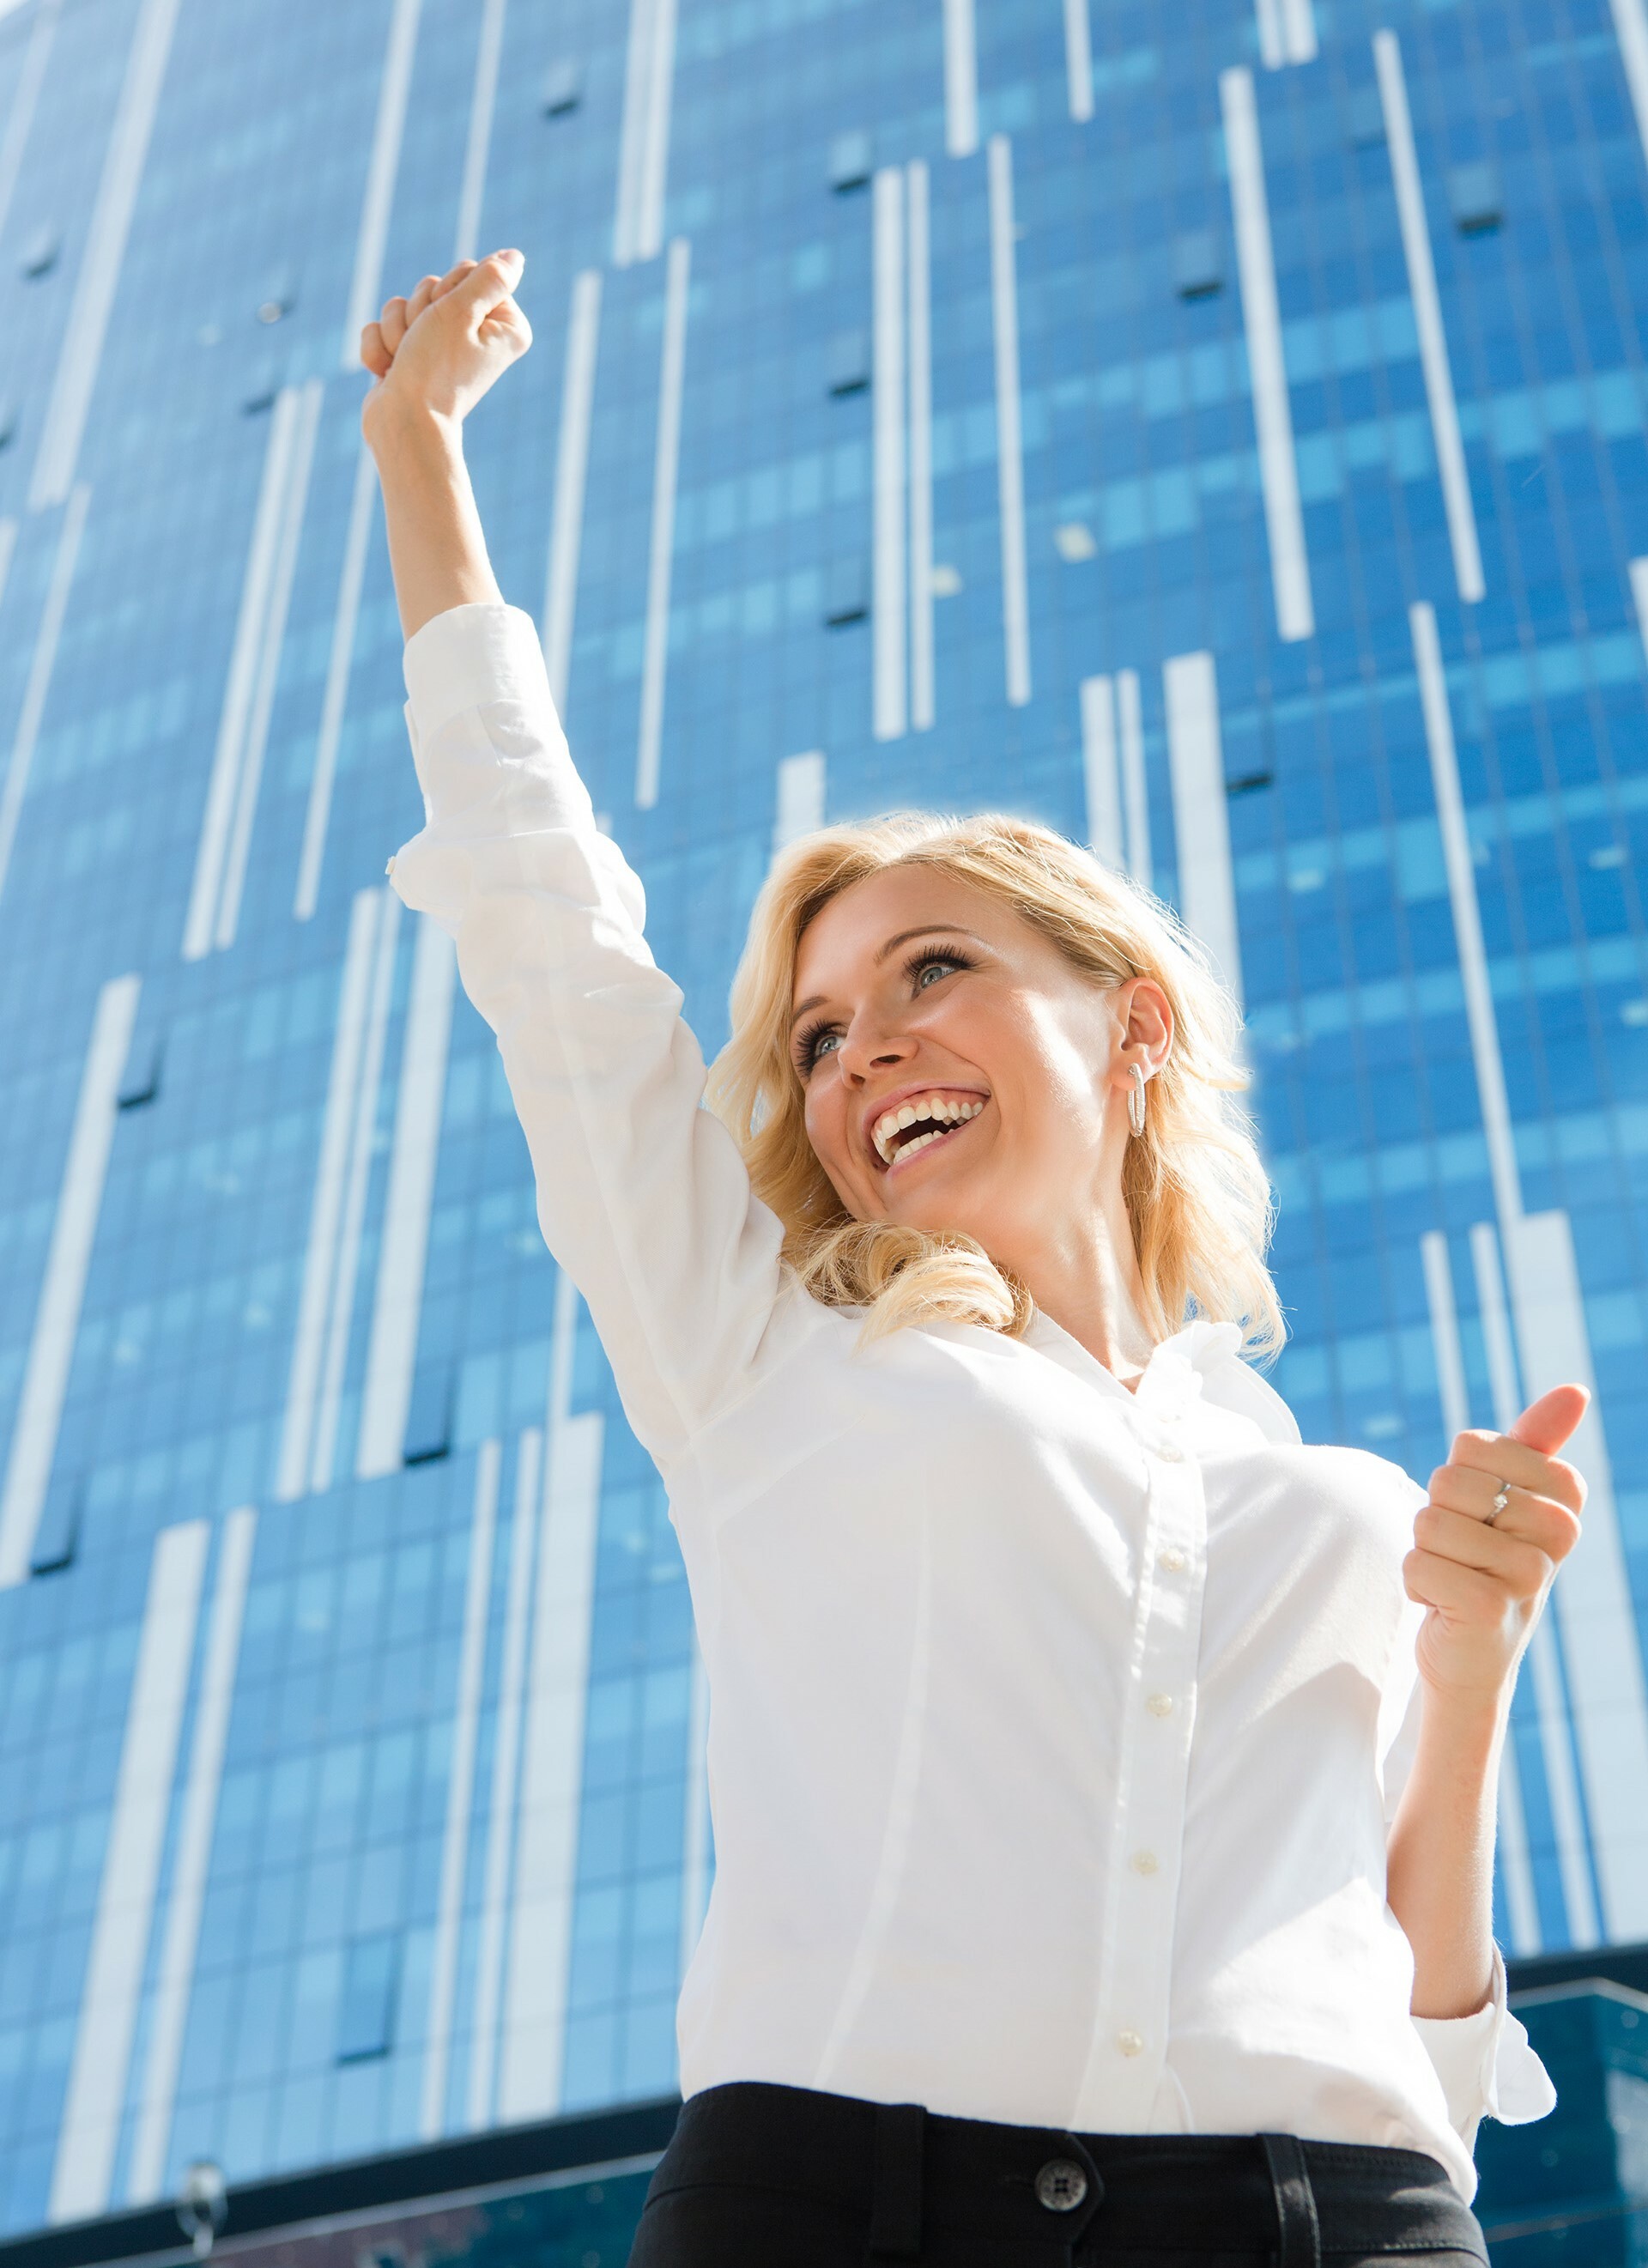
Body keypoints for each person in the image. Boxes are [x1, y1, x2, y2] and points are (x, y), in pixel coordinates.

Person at [360, 252, 1578, 2268]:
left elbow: (1414, 2021)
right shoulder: (760, 1357)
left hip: (1334, 2215)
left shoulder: (1317, 1489)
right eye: (823, 1035)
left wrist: (1468, 1675)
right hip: (841, 2204)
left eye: (937, 969)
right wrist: (419, 451)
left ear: (1133, 1029)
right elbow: (546, 923)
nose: (866, 1050)